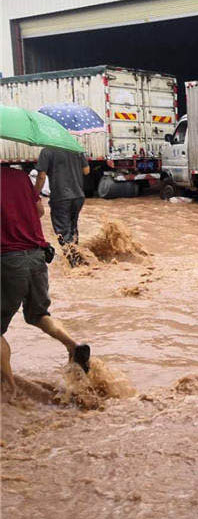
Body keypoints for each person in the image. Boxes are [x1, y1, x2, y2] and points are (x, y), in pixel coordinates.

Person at [1, 164, 91, 397]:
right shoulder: (20, 177)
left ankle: (10, 392)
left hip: (9, 259)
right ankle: (73, 345)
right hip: (37, 255)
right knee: (39, 315)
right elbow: (39, 211)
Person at [34, 148, 89, 266]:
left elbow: (41, 176)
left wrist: (33, 195)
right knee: (72, 228)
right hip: (78, 196)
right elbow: (86, 170)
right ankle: (77, 258)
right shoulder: (75, 148)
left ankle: (73, 264)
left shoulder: (47, 151)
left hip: (60, 196)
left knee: (63, 232)